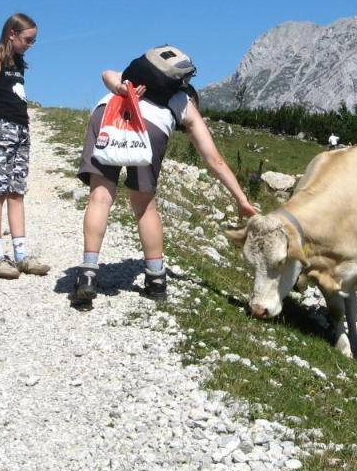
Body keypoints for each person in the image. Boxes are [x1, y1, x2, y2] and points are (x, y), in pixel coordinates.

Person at [72, 47, 257, 304]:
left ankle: (88, 274)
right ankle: (156, 280)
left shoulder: (134, 78)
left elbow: (107, 73)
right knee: (144, 206)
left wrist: (120, 88)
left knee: (100, 197)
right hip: (152, 128)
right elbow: (215, 160)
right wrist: (241, 199)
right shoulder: (183, 103)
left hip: (107, 113)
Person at [0, 14, 48, 279]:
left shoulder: (18, 63)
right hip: (0, 128)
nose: (30, 44)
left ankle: (21, 254)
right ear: (12, 34)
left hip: (20, 130)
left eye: (33, 40)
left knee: (17, 191)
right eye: (28, 39)